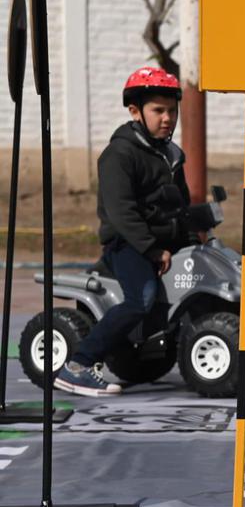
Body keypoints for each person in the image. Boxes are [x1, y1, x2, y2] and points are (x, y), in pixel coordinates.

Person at [54, 67, 191, 397]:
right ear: (135, 111)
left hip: (164, 241)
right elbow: (121, 212)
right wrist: (151, 249)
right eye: (158, 110)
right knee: (141, 299)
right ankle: (78, 366)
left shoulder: (171, 154)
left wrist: (193, 236)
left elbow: (181, 204)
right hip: (128, 243)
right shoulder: (119, 154)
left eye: (172, 110)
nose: (167, 118)